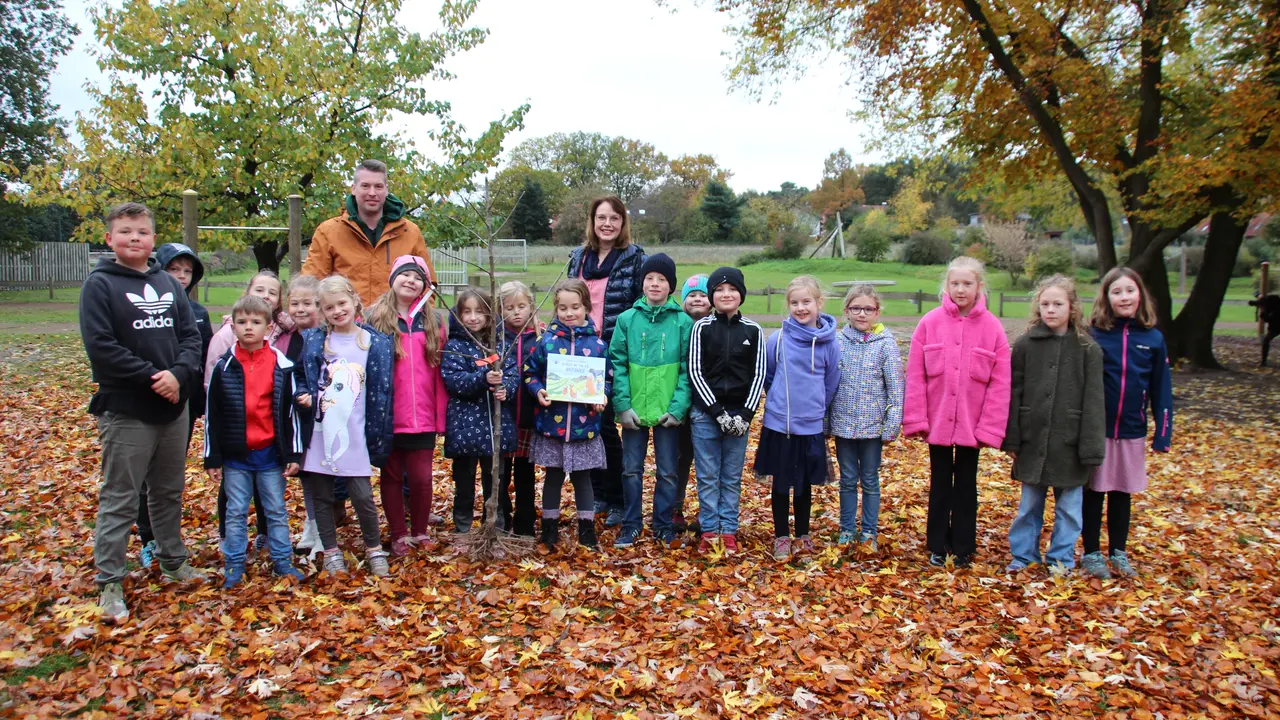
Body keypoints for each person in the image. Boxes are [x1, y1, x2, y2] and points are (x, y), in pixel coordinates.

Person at [80, 202, 207, 623]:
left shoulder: (168, 285)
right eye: (125, 232)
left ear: (153, 239)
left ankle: (173, 560)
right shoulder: (100, 286)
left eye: (142, 232)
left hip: (174, 408)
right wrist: (155, 376)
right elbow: (101, 347)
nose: (134, 238)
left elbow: (190, 337)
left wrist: (178, 374)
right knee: (121, 496)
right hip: (128, 408)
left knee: (168, 492)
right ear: (110, 238)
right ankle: (110, 580)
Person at [903, 256, 1011, 568]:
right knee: (939, 485)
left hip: (971, 424)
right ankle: (937, 543)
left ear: (979, 287)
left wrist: (989, 427)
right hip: (937, 421)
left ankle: (962, 546)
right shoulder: (930, 323)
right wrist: (917, 418)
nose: (960, 289)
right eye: (955, 283)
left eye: (967, 283)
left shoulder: (992, 328)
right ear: (946, 286)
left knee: (965, 486)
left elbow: (1000, 383)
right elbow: (916, 375)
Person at [1002, 275, 1106, 574]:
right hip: (1033, 440)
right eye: (1045, 304)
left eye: (1057, 304)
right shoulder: (1025, 345)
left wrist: (1091, 449)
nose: (1050, 310)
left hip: (1070, 444)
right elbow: (1014, 393)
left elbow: (1094, 401)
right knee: (1028, 507)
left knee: (1070, 510)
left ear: (1071, 307)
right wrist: (1013, 439)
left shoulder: (1088, 349)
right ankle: (1024, 556)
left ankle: (1061, 558)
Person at [203, 295, 308, 587]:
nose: (249, 327)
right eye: (242, 322)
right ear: (233, 326)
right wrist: (212, 457)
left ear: (269, 326)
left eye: (256, 322)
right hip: (236, 456)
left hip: (270, 455)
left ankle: (282, 561)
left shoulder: (281, 364)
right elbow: (213, 414)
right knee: (235, 511)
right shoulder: (224, 366)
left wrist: (293, 454)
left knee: (275, 509)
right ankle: (234, 564)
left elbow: (292, 414)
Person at [296, 276, 394, 577]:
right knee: (323, 494)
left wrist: (378, 433)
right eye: (329, 307)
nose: (337, 311)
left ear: (354, 300)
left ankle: (374, 548)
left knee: (362, 495)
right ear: (321, 311)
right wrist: (305, 395)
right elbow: (303, 376)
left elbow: (382, 391)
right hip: (322, 432)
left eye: (341, 304)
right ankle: (331, 551)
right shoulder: (315, 340)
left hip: (357, 431)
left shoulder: (373, 342)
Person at [1081, 267, 1173, 579]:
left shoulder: (1153, 338)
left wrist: (1163, 433)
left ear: (1140, 295)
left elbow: (1162, 388)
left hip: (1131, 428)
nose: (1124, 297)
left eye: (1129, 291)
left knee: (1122, 491)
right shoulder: (1094, 334)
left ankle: (1118, 551)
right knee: (1094, 490)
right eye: (1117, 292)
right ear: (1106, 297)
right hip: (1097, 428)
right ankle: (1091, 552)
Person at [565, 196, 646, 527]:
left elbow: (639, 305)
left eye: (614, 217)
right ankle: (595, 492)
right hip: (578, 355)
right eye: (601, 217)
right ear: (592, 221)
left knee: (608, 427)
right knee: (582, 427)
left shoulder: (634, 258)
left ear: (623, 222)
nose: (607, 223)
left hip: (611, 353)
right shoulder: (578, 258)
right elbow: (567, 299)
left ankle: (617, 497)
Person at [134, 243, 214, 571]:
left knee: (168, 477)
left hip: (184, 406)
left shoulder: (197, 313)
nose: (181, 277)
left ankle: (168, 541)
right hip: (144, 401)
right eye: (174, 270)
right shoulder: (146, 308)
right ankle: (147, 537)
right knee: (142, 477)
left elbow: (203, 358)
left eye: (187, 271)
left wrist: (201, 402)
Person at [609, 253, 693, 548]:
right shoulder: (627, 320)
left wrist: (678, 407)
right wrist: (622, 404)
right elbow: (617, 363)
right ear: (642, 283)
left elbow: (687, 368)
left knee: (668, 471)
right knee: (631, 469)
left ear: (671, 286)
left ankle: (663, 524)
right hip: (634, 409)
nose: (655, 284)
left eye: (662, 279)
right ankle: (631, 524)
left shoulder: (683, 323)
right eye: (649, 278)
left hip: (667, 412)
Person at [366, 256, 447, 557]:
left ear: (425, 286)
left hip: (423, 415)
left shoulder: (435, 321)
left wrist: (441, 414)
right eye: (405, 275)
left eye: (417, 277)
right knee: (391, 476)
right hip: (389, 414)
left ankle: (420, 531)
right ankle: (399, 534)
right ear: (393, 278)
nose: (410, 281)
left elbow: (440, 370)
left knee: (422, 478)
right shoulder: (374, 318)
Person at [522, 279, 612, 550]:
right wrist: (538, 391)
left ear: (586, 307)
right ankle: (549, 530)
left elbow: (607, 378)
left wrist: (602, 396)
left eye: (575, 307)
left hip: (584, 427)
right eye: (563, 308)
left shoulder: (598, 345)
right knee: (553, 477)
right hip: (553, 425)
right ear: (556, 309)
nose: (569, 313)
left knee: (583, 479)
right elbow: (530, 373)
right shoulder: (546, 343)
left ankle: (586, 530)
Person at [758, 276, 841, 561]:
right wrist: (780, 403)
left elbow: (831, 381)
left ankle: (802, 534)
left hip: (810, 426)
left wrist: (816, 408)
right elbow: (768, 376)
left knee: (804, 483)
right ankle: (781, 535)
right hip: (780, 425)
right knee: (781, 483)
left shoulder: (829, 343)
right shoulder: (778, 339)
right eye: (794, 302)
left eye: (806, 302)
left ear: (819, 303)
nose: (800, 308)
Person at [687, 267, 766, 554]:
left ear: (741, 294)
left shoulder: (753, 330)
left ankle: (729, 529)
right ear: (712, 296)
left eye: (731, 289)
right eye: (719, 290)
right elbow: (696, 372)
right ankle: (709, 528)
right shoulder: (702, 328)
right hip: (706, 416)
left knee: (731, 476)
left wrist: (744, 416)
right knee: (708, 475)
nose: (726, 294)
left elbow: (758, 375)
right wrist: (717, 412)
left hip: (739, 418)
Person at [827, 284, 904, 551]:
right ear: (847, 311)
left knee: (870, 479)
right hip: (844, 425)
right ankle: (847, 528)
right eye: (856, 309)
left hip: (873, 428)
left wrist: (891, 425)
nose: (862, 314)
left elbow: (895, 389)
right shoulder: (836, 341)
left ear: (877, 312)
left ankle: (869, 530)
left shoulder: (886, 345)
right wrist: (826, 422)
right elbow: (828, 385)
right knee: (848, 478)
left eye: (868, 309)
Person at [302, 159, 436, 306]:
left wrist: (415, 322)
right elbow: (311, 284)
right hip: (345, 325)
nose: (372, 193)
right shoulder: (328, 232)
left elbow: (428, 288)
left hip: (396, 326)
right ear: (354, 188)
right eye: (365, 186)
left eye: (378, 186)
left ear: (386, 189)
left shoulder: (410, 232)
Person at [441, 288, 518, 533]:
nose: (473, 317)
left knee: (495, 481)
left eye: (479, 312)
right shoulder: (455, 347)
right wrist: (484, 378)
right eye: (467, 312)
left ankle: (495, 527)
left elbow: (514, 374)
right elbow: (455, 381)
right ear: (459, 315)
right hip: (465, 428)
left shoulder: (500, 345)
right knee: (463, 483)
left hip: (496, 428)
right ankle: (463, 527)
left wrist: (506, 388)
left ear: (489, 315)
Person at [284, 275, 327, 556]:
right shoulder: (286, 338)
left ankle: (325, 532)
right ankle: (311, 526)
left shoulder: (324, 338)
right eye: (294, 303)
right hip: (294, 417)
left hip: (320, 418)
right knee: (306, 476)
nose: (300, 309)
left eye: (307, 303)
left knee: (322, 478)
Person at [498, 281, 543, 538]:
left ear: (530, 307)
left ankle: (525, 524)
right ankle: (499, 522)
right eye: (509, 307)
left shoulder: (539, 338)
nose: (516, 312)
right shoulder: (494, 339)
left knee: (525, 474)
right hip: (502, 419)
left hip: (528, 418)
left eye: (521, 306)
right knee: (500, 475)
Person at [674, 274, 710, 534]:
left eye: (703, 295)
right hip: (680, 405)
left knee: (707, 463)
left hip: (708, 406)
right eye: (691, 295)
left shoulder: (714, 326)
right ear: (683, 300)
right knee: (679, 459)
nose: (697, 299)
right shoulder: (677, 325)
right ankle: (674, 509)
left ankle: (708, 513)